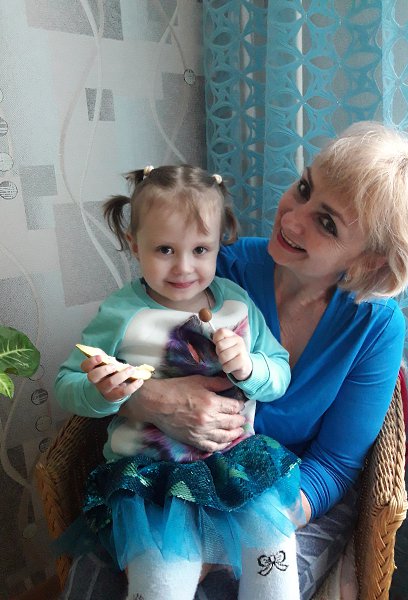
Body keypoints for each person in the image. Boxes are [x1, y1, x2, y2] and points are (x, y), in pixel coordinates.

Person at [113, 122, 408, 600]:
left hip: (289, 497)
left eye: (327, 223)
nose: (292, 218)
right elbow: (122, 358)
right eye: (305, 188)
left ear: (370, 261)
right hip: (178, 476)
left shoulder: (374, 327)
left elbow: (334, 464)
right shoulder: (218, 268)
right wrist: (152, 402)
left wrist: (234, 530)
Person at [55, 165, 304, 600]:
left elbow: (279, 373)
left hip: (235, 472)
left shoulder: (237, 305)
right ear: (135, 245)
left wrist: (249, 367)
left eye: (201, 249)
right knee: (162, 584)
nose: (184, 267)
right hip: (152, 484)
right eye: (165, 249)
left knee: (276, 562)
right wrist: (102, 392)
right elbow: (66, 382)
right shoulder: (122, 313)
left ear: (219, 243)